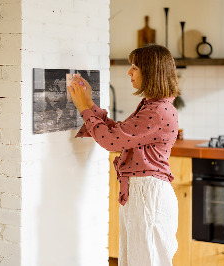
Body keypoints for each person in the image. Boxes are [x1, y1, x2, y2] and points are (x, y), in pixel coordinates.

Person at [68, 44, 180, 266]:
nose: (129, 72)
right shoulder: (153, 106)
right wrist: (89, 103)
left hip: (148, 195)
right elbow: (119, 133)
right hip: (143, 193)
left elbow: (111, 141)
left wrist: (83, 107)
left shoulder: (157, 111)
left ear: (151, 72)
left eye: (135, 67)